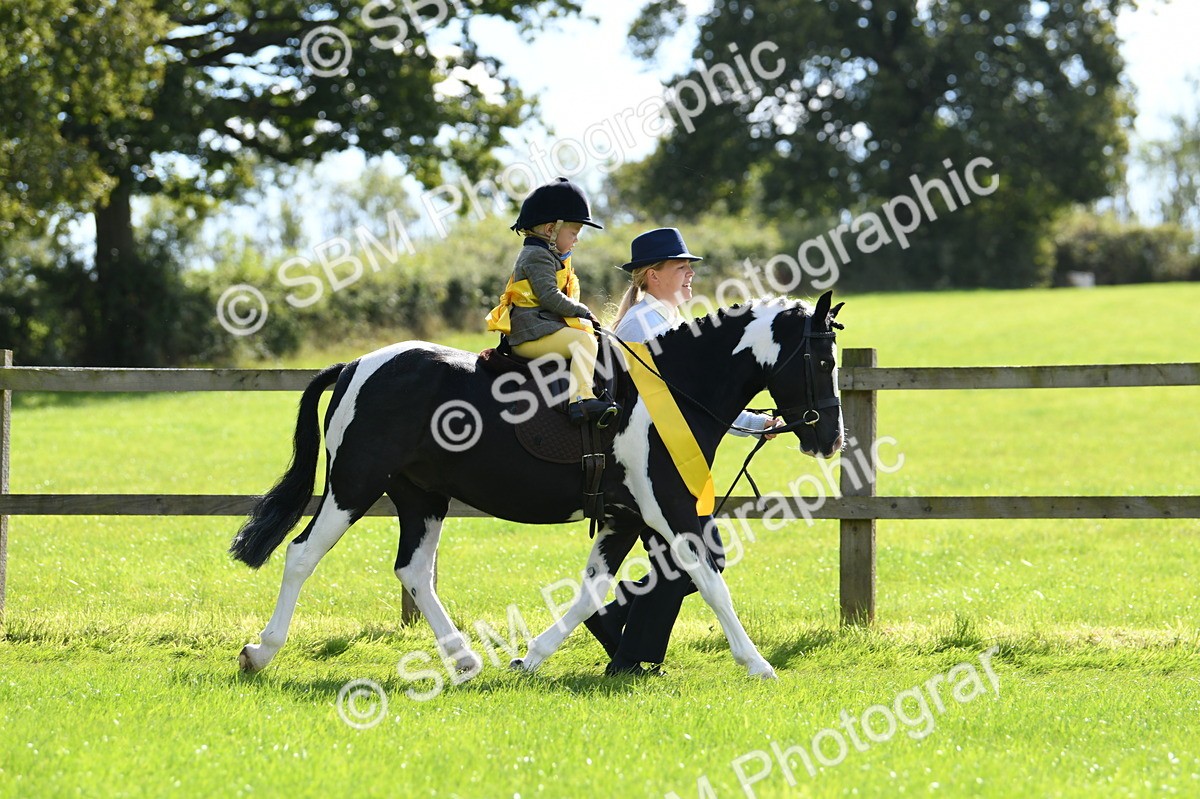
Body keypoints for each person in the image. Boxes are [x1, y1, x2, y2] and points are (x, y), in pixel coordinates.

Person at [586, 227, 782, 675]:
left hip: (674, 461)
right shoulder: (642, 326)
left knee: (696, 560)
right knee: (694, 561)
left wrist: (753, 424)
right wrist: (749, 425)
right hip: (652, 470)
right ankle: (628, 654)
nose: (690, 272)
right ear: (652, 276)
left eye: (689, 265)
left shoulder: (669, 321)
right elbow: (674, 402)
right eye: (680, 266)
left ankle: (613, 618)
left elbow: (696, 400)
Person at [485, 177, 620, 427]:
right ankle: (580, 399)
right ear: (551, 230)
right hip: (530, 334)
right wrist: (584, 311)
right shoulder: (537, 256)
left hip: (540, 329)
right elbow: (549, 297)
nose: (576, 240)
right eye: (574, 233)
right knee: (583, 341)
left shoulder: (545, 254)